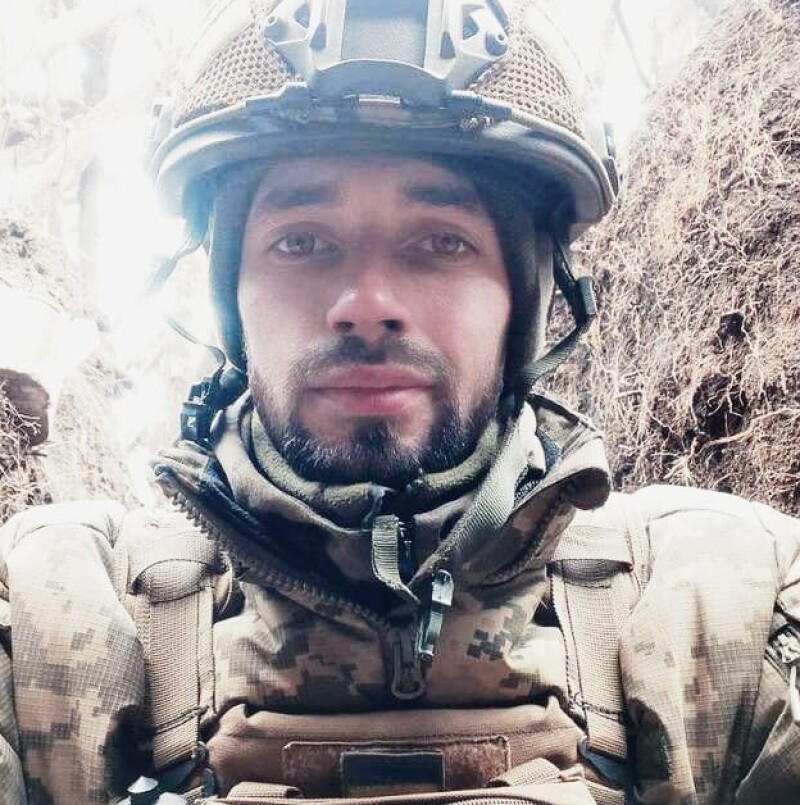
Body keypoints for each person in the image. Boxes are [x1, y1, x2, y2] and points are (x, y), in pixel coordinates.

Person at [0, 1, 798, 803]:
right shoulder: (51, 619)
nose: (366, 303)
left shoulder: (727, 604)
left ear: (524, 298)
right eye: (301, 241)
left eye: (441, 241)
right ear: (229, 295)